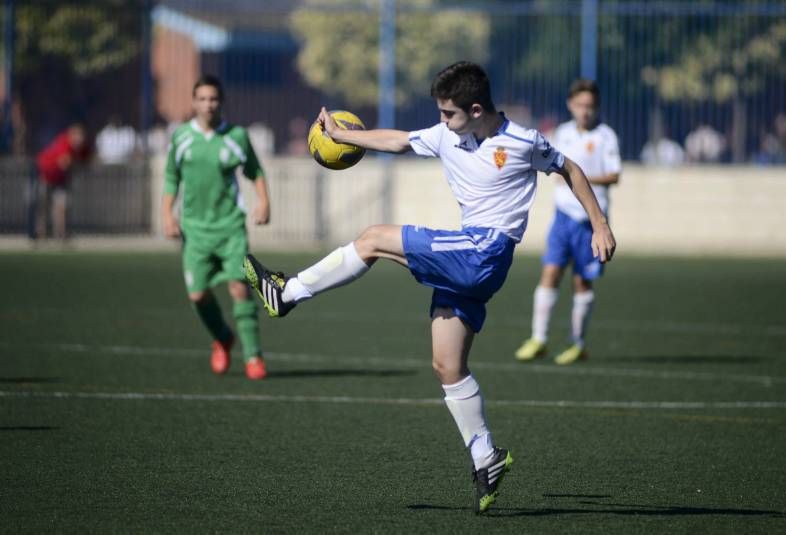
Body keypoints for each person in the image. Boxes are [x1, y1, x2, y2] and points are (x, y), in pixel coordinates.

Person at [244, 62, 616, 514]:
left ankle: (287, 294)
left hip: (485, 251)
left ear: (476, 110)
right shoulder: (447, 135)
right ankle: (486, 458)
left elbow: (571, 169)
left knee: (373, 238)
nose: (441, 122)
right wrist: (344, 136)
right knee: (447, 364)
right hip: (471, 261)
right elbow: (398, 140)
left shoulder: (521, 142)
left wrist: (599, 224)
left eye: (448, 113)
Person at [162, 75, 271, 380]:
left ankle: (253, 357)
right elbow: (171, 176)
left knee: (239, 287)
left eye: (214, 99)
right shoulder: (182, 137)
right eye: (203, 99)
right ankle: (222, 338)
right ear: (194, 101)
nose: (208, 105)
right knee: (198, 295)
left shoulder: (236, 136)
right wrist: (167, 214)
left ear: (221, 102)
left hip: (230, 228)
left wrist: (264, 202)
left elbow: (254, 170)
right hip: (194, 230)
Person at [515, 79, 621, 366]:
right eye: (580, 105)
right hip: (562, 217)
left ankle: (578, 343)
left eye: (590, 106)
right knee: (549, 274)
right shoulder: (561, 133)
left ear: (596, 107)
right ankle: (538, 338)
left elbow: (614, 175)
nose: (585, 111)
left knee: (581, 282)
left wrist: (579, 176)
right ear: (570, 105)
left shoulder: (605, 136)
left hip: (589, 222)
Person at [33, 122, 90, 241]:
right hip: (44, 175)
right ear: (71, 135)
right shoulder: (64, 142)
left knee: (62, 207)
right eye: (77, 136)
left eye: (81, 137)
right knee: (43, 206)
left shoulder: (80, 148)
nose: (79, 140)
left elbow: (85, 159)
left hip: (60, 179)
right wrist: (73, 162)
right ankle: (40, 234)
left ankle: (61, 234)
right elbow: (63, 163)